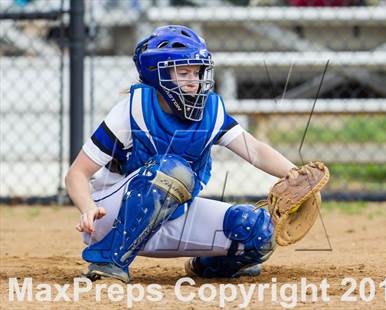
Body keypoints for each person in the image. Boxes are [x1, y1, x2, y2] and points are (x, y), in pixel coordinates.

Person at [65, 25, 297, 283]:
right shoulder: (133, 110)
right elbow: (76, 174)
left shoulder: (210, 111)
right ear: (156, 74)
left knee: (258, 231)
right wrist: (87, 207)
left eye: (197, 73)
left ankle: (209, 266)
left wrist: (295, 175)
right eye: (183, 72)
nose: (192, 81)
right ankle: (108, 261)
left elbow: (253, 149)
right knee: (173, 170)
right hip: (110, 218)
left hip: (172, 218)